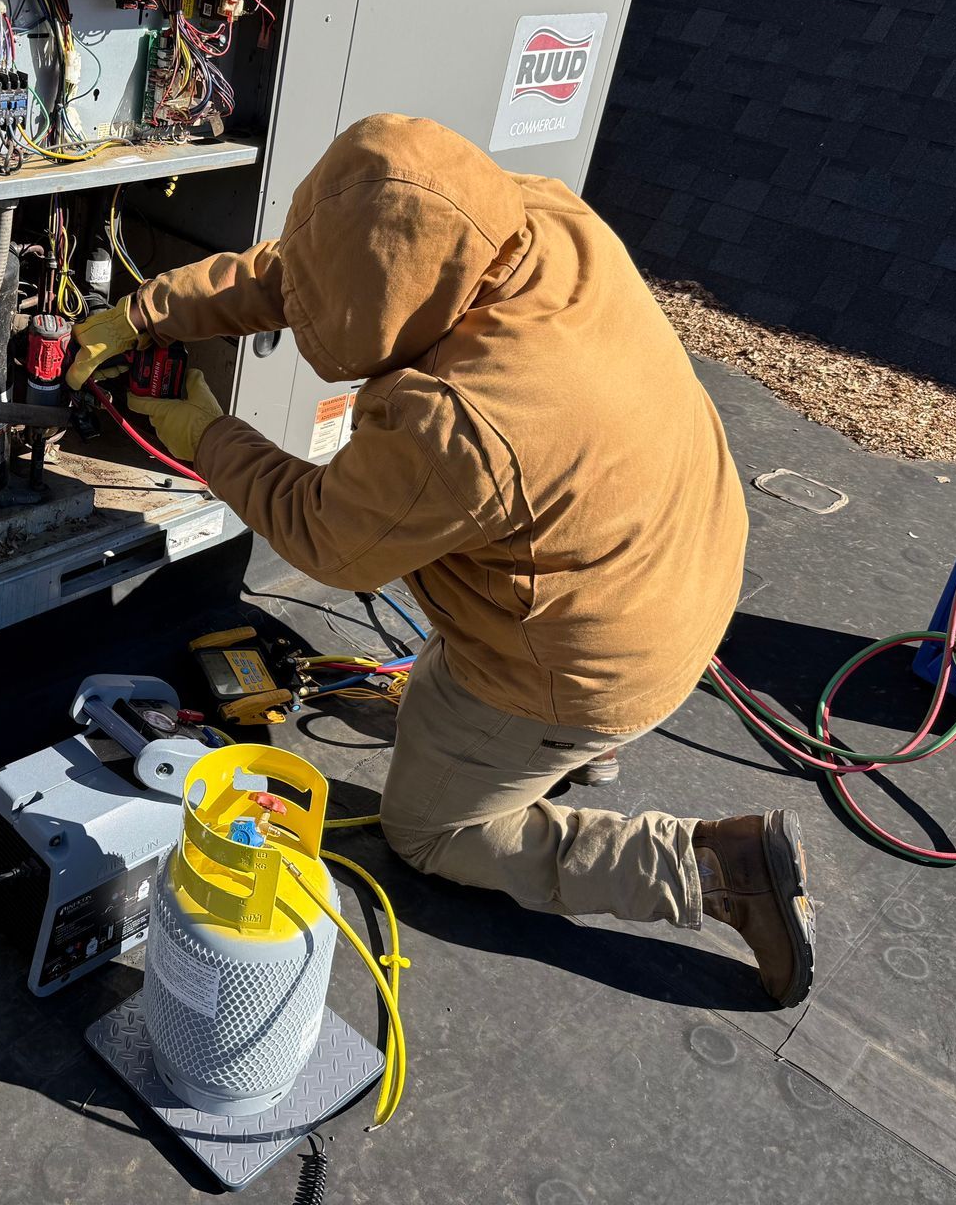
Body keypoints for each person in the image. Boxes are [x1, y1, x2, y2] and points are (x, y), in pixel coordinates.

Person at [65, 114, 813, 1006]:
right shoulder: (531, 220)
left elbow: (326, 537)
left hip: (590, 663)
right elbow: (329, 263)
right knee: (471, 632)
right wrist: (149, 310)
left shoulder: (458, 419)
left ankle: (708, 870)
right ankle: (566, 748)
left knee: (427, 833)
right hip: (681, 558)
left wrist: (207, 434)